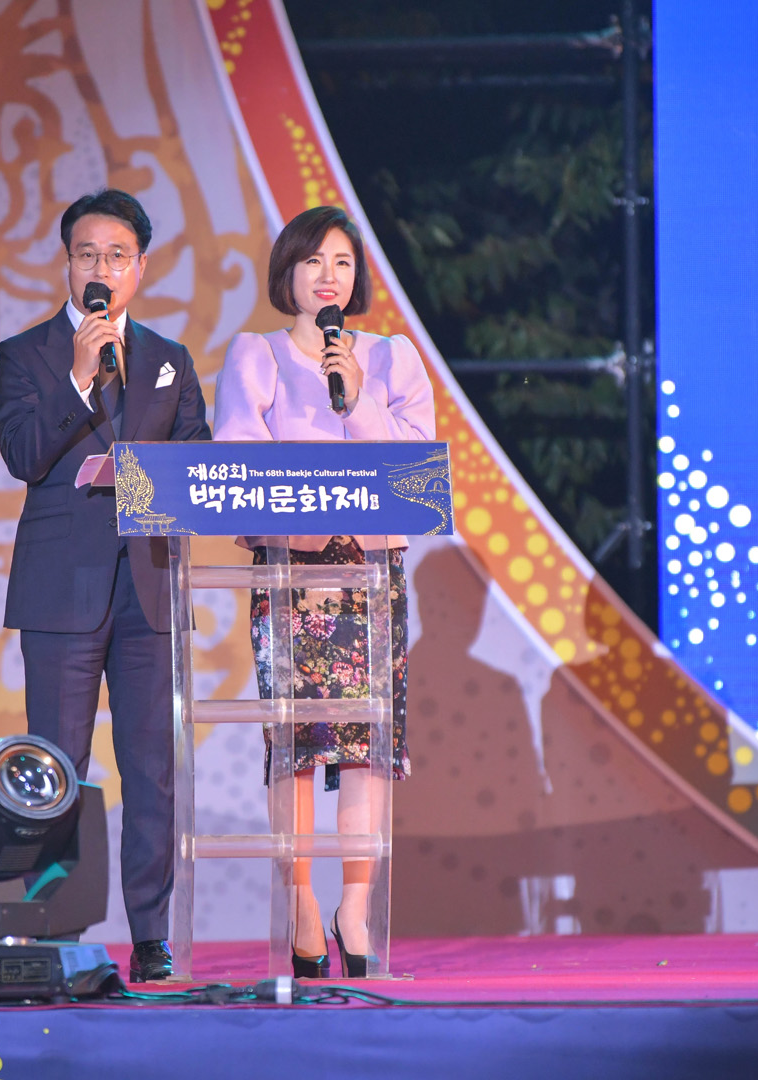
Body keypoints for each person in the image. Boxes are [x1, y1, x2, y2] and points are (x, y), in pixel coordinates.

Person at [0, 189, 210, 981]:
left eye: (117, 255)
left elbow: (197, 466)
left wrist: (158, 479)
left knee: (152, 770)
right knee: (58, 765)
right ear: (67, 264)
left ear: (140, 268)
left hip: (150, 588)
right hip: (62, 589)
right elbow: (23, 454)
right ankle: (56, 929)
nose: (101, 268)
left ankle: (150, 937)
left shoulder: (169, 359)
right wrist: (80, 382)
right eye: (88, 254)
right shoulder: (26, 354)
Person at [212, 205, 435, 977]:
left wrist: (358, 396)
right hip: (294, 572)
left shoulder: (393, 358)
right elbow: (238, 462)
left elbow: (414, 467)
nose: (328, 275)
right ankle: (304, 904)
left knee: (369, 747)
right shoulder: (257, 355)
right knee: (297, 748)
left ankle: (356, 910)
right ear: (289, 273)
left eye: (341, 262)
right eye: (313, 261)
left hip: (370, 569)